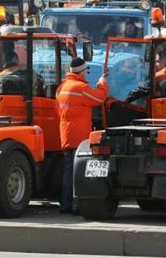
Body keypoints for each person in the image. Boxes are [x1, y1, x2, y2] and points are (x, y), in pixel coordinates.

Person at [56, 57, 108, 215]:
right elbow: (99, 97)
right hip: (79, 136)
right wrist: (102, 82)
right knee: (78, 173)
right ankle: (76, 205)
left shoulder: (61, 87)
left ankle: (65, 204)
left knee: (68, 172)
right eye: (86, 70)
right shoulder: (80, 88)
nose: (86, 73)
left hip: (66, 134)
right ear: (82, 71)